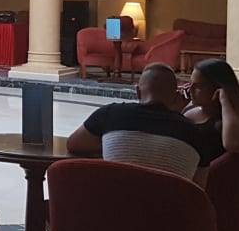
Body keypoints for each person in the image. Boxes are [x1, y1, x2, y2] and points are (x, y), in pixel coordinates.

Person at [67, 62, 223, 184]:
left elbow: (74, 144)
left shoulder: (110, 114)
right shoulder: (195, 135)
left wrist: (118, 145)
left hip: (115, 211)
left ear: (138, 92)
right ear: (175, 96)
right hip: (168, 215)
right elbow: (198, 189)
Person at [183, 58, 239, 154]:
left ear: (218, 89)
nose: (190, 90)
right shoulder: (189, 109)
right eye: (190, 84)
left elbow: (234, 144)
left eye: (198, 86)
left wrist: (224, 100)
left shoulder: (225, 122)